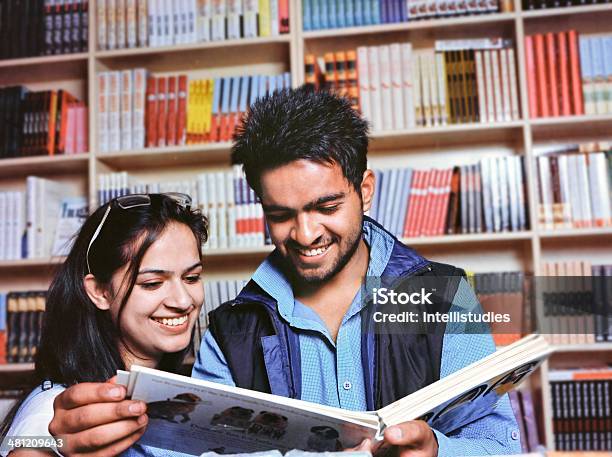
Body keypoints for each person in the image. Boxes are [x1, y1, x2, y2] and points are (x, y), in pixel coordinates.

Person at [47, 89, 522, 456]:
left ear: (366, 190)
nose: (305, 233)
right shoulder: (231, 329)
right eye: (281, 214)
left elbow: (500, 445)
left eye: (326, 206)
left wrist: (438, 449)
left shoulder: (442, 296)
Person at [0, 193, 208, 457]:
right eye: (152, 283)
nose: (183, 300)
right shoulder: (54, 410)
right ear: (100, 291)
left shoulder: (173, 391)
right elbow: (34, 444)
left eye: (192, 277)